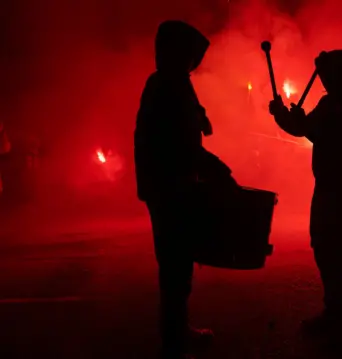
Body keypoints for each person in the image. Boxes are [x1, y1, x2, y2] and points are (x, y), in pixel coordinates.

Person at [134, 20, 234, 359]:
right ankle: (175, 339)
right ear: (178, 53)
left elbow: (187, 109)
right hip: (169, 186)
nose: (194, 63)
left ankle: (176, 330)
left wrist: (201, 115)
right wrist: (215, 168)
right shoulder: (167, 85)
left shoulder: (169, 81)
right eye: (190, 55)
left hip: (169, 184)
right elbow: (176, 145)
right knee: (176, 265)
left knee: (176, 264)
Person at [268, 50, 342, 341]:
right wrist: (291, 118)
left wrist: (285, 116)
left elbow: (309, 130)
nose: (323, 79)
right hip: (338, 184)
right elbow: (307, 128)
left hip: (338, 186)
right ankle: (340, 312)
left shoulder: (340, 103)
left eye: (326, 73)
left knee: (333, 248)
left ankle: (340, 314)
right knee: (333, 249)